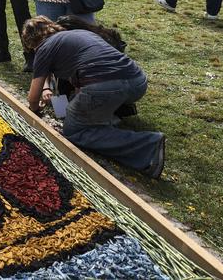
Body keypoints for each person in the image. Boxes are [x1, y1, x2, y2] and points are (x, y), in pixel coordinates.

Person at [22, 16, 165, 179]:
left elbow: (33, 97)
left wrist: (35, 110)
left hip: (107, 87)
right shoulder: (79, 34)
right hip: (137, 82)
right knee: (84, 103)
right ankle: (109, 117)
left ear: (31, 42)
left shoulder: (44, 48)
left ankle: (147, 146)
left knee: (74, 129)